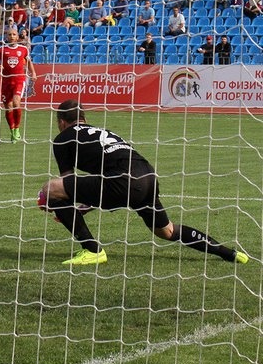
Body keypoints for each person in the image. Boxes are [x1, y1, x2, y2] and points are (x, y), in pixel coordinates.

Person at [39, 99, 249, 266]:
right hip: (147, 176)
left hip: (123, 181)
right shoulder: (103, 131)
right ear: (83, 117)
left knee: (50, 190)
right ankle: (228, 253)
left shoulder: (63, 138)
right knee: (166, 231)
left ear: (61, 121)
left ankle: (93, 251)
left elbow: (66, 182)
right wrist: (86, 204)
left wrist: (55, 202)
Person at [0, 25, 36, 142]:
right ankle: (12, 130)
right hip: (6, 82)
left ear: (17, 36)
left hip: (19, 80)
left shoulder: (23, 49)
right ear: (6, 36)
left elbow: (29, 62)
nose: (11, 36)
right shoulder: (1, 49)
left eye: (14, 34)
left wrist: (33, 73)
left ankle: (17, 129)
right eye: (9, 34)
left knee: (16, 103)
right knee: (8, 107)